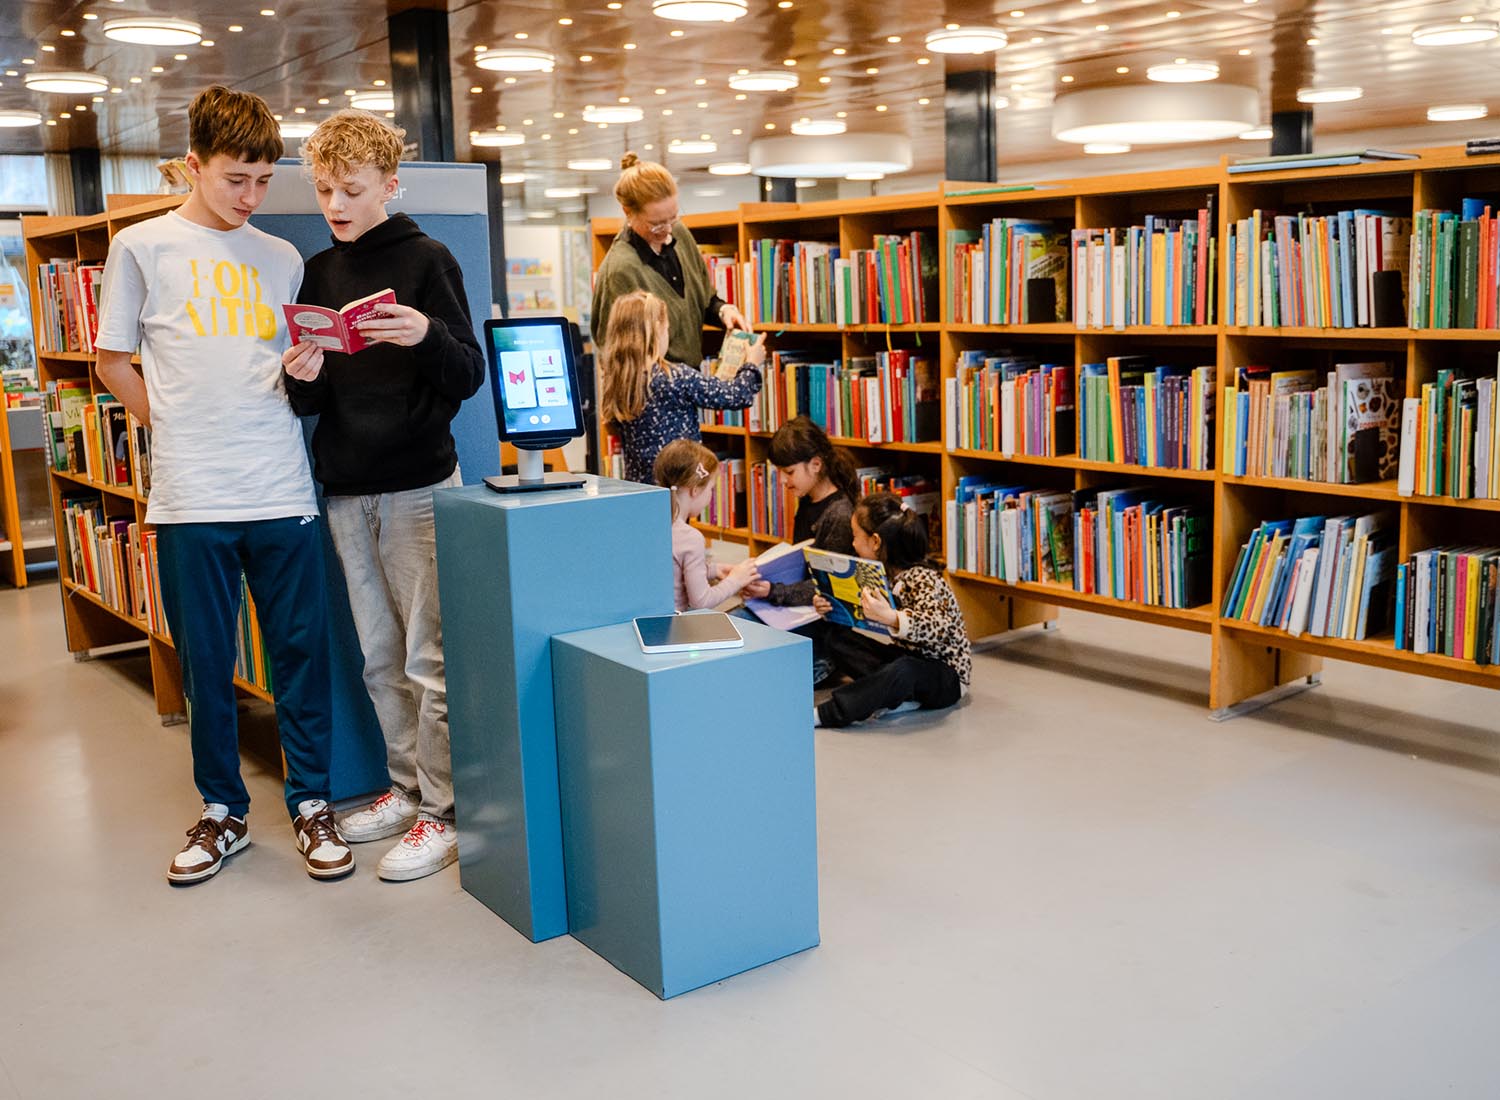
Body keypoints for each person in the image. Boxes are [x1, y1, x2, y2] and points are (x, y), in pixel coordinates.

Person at [94, 84, 353, 883]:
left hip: (281, 487)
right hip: (191, 496)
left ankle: (311, 803)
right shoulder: (142, 247)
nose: (251, 196)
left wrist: (307, 370)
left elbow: (292, 366)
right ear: (195, 165)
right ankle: (222, 812)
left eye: (264, 180)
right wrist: (166, 425)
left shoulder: (284, 257)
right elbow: (109, 361)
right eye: (236, 178)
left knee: (301, 656)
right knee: (207, 664)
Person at [281, 109, 485, 882]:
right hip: (344, 488)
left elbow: (467, 375)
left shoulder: (429, 259)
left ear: (390, 185)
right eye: (326, 190)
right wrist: (301, 381)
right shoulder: (318, 270)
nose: (336, 206)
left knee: (430, 657)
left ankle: (447, 810)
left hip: (419, 487)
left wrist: (424, 334)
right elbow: (315, 402)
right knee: (378, 657)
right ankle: (405, 790)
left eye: (352, 190)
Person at [813, 492, 972, 729]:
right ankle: (896, 694)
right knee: (835, 638)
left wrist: (892, 617)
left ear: (875, 542)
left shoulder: (924, 578)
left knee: (903, 671)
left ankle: (826, 714)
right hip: (906, 659)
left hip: (945, 677)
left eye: (855, 536)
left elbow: (938, 627)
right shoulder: (881, 574)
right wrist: (830, 607)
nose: (853, 543)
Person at [591, 152, 748, 368]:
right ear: (627, 212)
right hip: (656, 395)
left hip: (690, 387)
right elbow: (618, 359)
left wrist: (724, 311)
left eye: (673, 218)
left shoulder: (680, 234)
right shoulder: (620, 270)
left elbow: (703, 300)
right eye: (656, 224)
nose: (667, 231)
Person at [600, 289, 764, 484]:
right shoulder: (675, 377)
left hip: (639, 488)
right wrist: (752, 364)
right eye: (667, 329)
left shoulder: (618, 380)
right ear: (657, 331)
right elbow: (736, 395)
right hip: (679, 487)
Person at [745, 415, 858, 608]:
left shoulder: (840, 514)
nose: (782, 481)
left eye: (789, 472)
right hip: (796, 601)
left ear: (816, 464)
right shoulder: (807, 499)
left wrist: (773, 591)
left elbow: (829, 585)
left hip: (819, 614)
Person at [655, 439, 761, 611]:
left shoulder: (653, 525)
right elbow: (702, 601)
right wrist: (736, 580)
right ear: (695, 490)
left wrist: (713, 570)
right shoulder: (691, 538)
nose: (711, 495)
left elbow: (671, 571)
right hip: (675, 626)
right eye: (711, 488)